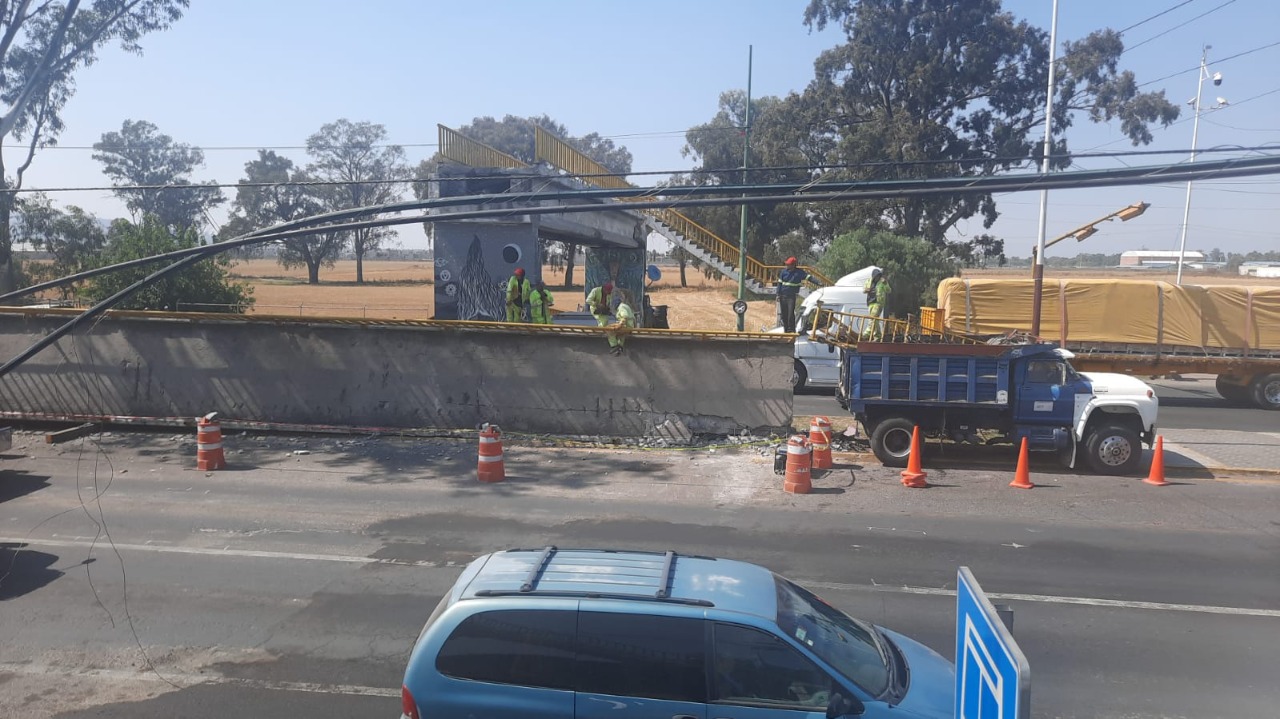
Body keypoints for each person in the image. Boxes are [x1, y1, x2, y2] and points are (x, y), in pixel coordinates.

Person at [776, 257, 819, 333]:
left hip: (791, 297)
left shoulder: (799, 273)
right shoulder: (783, 272)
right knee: (784, 315)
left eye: (788, 264)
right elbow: (779, 283)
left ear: (793, 265)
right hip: (783, 296)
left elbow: (809, 277)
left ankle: (791, 330)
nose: (787, 266)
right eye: (787, 264)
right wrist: (778, 295)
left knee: (790, 314)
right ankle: (786, 330)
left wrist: (818, 282)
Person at [862, 268, 891, 340]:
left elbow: (889, 290)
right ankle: (877, 335)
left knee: (872, 318)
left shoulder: (882, 282)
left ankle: (867, 334)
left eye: (879, 276)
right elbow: (863, 290)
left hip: (878, 303)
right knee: (875, 319)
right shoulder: (868, 281)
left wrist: (885, 283)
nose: (878, 277)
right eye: (877, 276)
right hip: (870, 302)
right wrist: (866, 290)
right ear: (874, 276)